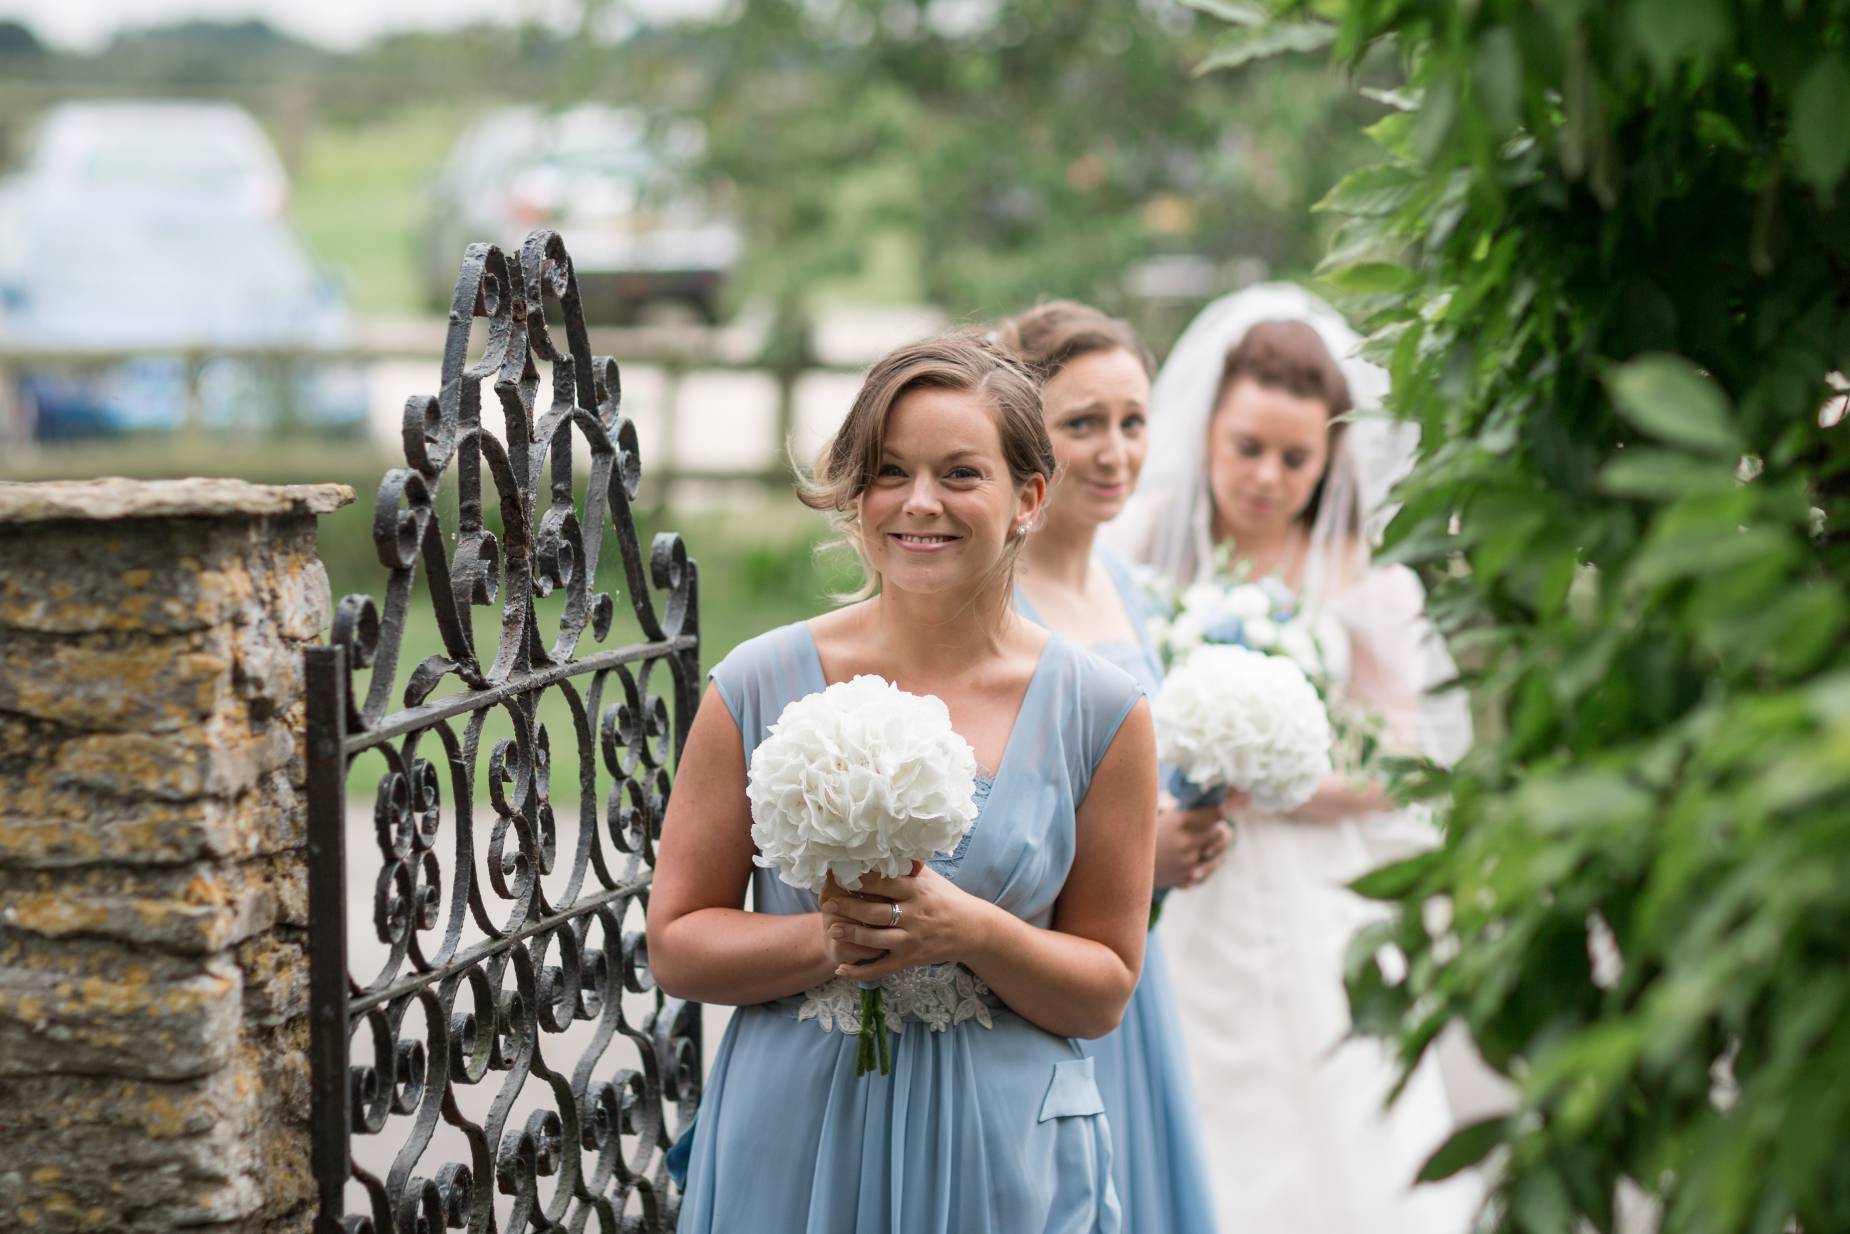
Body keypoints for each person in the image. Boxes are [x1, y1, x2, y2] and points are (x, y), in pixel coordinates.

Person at [649, 332, 1158, 1234]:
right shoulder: (756, 685)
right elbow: (679, 945)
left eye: (960, 474)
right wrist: (830, 939)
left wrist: (970, 931)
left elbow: (1106, 988)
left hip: (1001, 1158)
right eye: (889, 472)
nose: (919, 503)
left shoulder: (1103, 713)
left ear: (1029, 498)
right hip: (796, 1137)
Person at [1110, 283, 1481, 1234]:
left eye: (1295, 456)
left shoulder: (1366, 576)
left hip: (1310, 880)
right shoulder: (1143, 544)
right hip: (1172, 868)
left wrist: (1275, 779)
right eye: (1248, 448)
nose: (1268, 475)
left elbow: (1400, 758)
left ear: (1330, 455)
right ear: (1206, 433)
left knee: (1330, 1090)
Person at [997, 300, 1223, 1234]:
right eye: (1082, 424)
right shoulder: (1001, 600)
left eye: (1132, 423)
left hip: (1133, 968)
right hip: (1043, 976)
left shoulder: (1124, 584)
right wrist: (1139, 859)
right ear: (1024, 438)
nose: (1114, 451)